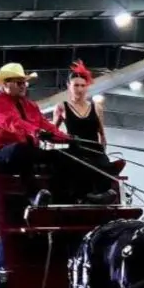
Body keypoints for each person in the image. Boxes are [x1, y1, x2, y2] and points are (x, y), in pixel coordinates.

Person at [0, 62, 74, 207]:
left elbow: (46, 125)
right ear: (6, 84)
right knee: (21, 150)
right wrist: (36, 131)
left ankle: (64, 196)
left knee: (60, 155)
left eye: (24, 83)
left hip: (27, 149)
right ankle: (32, 195)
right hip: (0, 151)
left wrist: (67, 138)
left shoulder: (30, 105)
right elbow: (12, 122)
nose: (23, 86)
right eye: (19, 83)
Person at [51, 60, 119, 203]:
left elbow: (102, 134)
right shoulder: (61, 107)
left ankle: (102, 194)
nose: (80, 89)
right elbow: (53, 132)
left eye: (83, 85)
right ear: (69, 86)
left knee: (104, 165)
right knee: (76, 165)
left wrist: (102, 151)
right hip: (75, 149)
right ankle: (81, 196)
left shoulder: (97, 107)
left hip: (94, 149)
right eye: (76, 85)